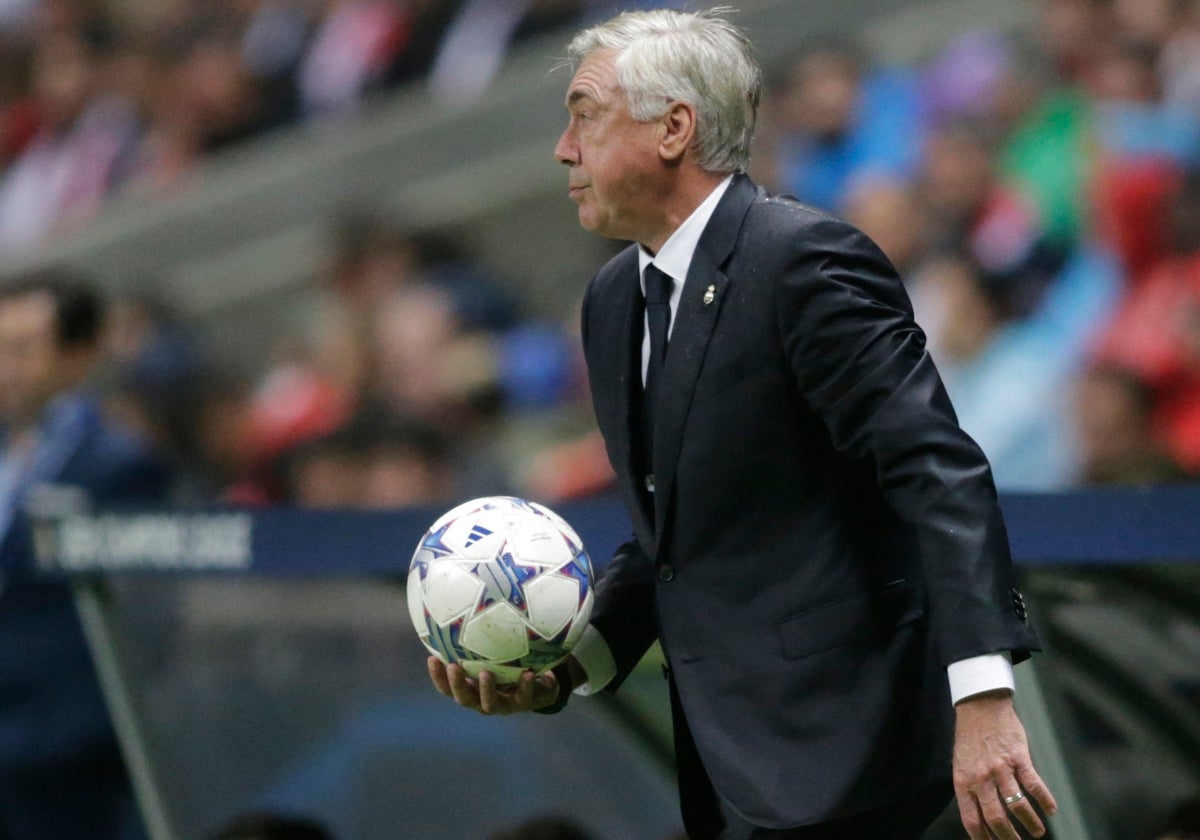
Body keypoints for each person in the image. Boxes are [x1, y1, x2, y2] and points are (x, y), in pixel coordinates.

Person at [428, 9, 1058, 840]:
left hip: (873, 770)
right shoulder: (614, 299)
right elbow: (676, 543)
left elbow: (938, 472)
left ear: (673, 128)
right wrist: (565, 667)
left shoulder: (803, 261)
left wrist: (982, 696)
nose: (563, 148)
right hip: (732, 779)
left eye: (585, 113)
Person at [0, 270, 170, 839]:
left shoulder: (117, 463)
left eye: (22, 350)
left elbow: (146, 616)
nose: (6, 369)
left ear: (78, 355)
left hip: (76, 745)